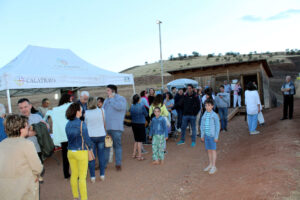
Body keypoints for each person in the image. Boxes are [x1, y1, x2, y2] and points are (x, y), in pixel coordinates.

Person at [0, 114, 43, 200]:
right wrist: (37, 176)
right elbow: (37, 167)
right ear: (22, 129)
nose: (28, 128)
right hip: (24, 187)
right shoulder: (27, 144)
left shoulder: (2, 144)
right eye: (27, 126)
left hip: (5, 188)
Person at [65, 103, 93, 200]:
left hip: (70, 152)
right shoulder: (81, 124)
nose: (82, 111)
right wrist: (90, 146)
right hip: (81, 152)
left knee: (74, 174)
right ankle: (84, 198)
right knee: (82, 177)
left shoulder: (67, 124)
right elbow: (87, 139)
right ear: (77, 112)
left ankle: (75, 196)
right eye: (81, 110)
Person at [44, 93, 72, 179]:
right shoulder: (70, 106)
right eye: (70, 99)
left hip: (62, 136)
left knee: (65, 156)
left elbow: (46, 115)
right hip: (71, 134)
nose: (72, 100)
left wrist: (46, 122)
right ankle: (75, 173)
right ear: (67, 99)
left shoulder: (55, 110)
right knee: (75, 155)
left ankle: (66, 174)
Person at [103, 84, 127, 171]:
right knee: (107, 146)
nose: (107, 92)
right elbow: (103, 110)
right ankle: (104, 164)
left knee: (117, 146)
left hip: (117, 128)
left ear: (113, 91)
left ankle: (118, 164)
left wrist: (112, 99)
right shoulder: (106, 100)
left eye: (108, 90)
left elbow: (121, 108)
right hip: (108, 128)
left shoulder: (121, 99)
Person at [84, 97, 107, 183]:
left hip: (91, 136)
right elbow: (104, 122)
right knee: (101, 155)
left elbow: (85, 125)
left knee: (91, 157)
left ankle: (93, 176)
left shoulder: (86, 113)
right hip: (101, 134)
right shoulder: (102, 111)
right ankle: (102, 175)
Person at [201, 99, 220, 175]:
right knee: (208, 150)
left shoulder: (214, 115)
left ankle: (214, 166)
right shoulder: (204, 114)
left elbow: (218, 126)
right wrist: (202, 135)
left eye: (209, 105)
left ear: (212, 106)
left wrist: (216, 136)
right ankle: (210, 164)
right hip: (206, 136)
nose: (207, 107)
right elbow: (202, 125)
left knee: (213, 150)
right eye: (205, 105)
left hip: (212, 136)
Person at [130, 94, 148, 161]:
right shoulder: (141, 106)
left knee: (136, 139)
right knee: (139, 140)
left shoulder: (131, 106)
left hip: (134, 124)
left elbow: (131, 114)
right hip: (140, 123)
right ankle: (140, 156)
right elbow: (146, 114)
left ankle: (134, 154)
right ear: (138, 99)